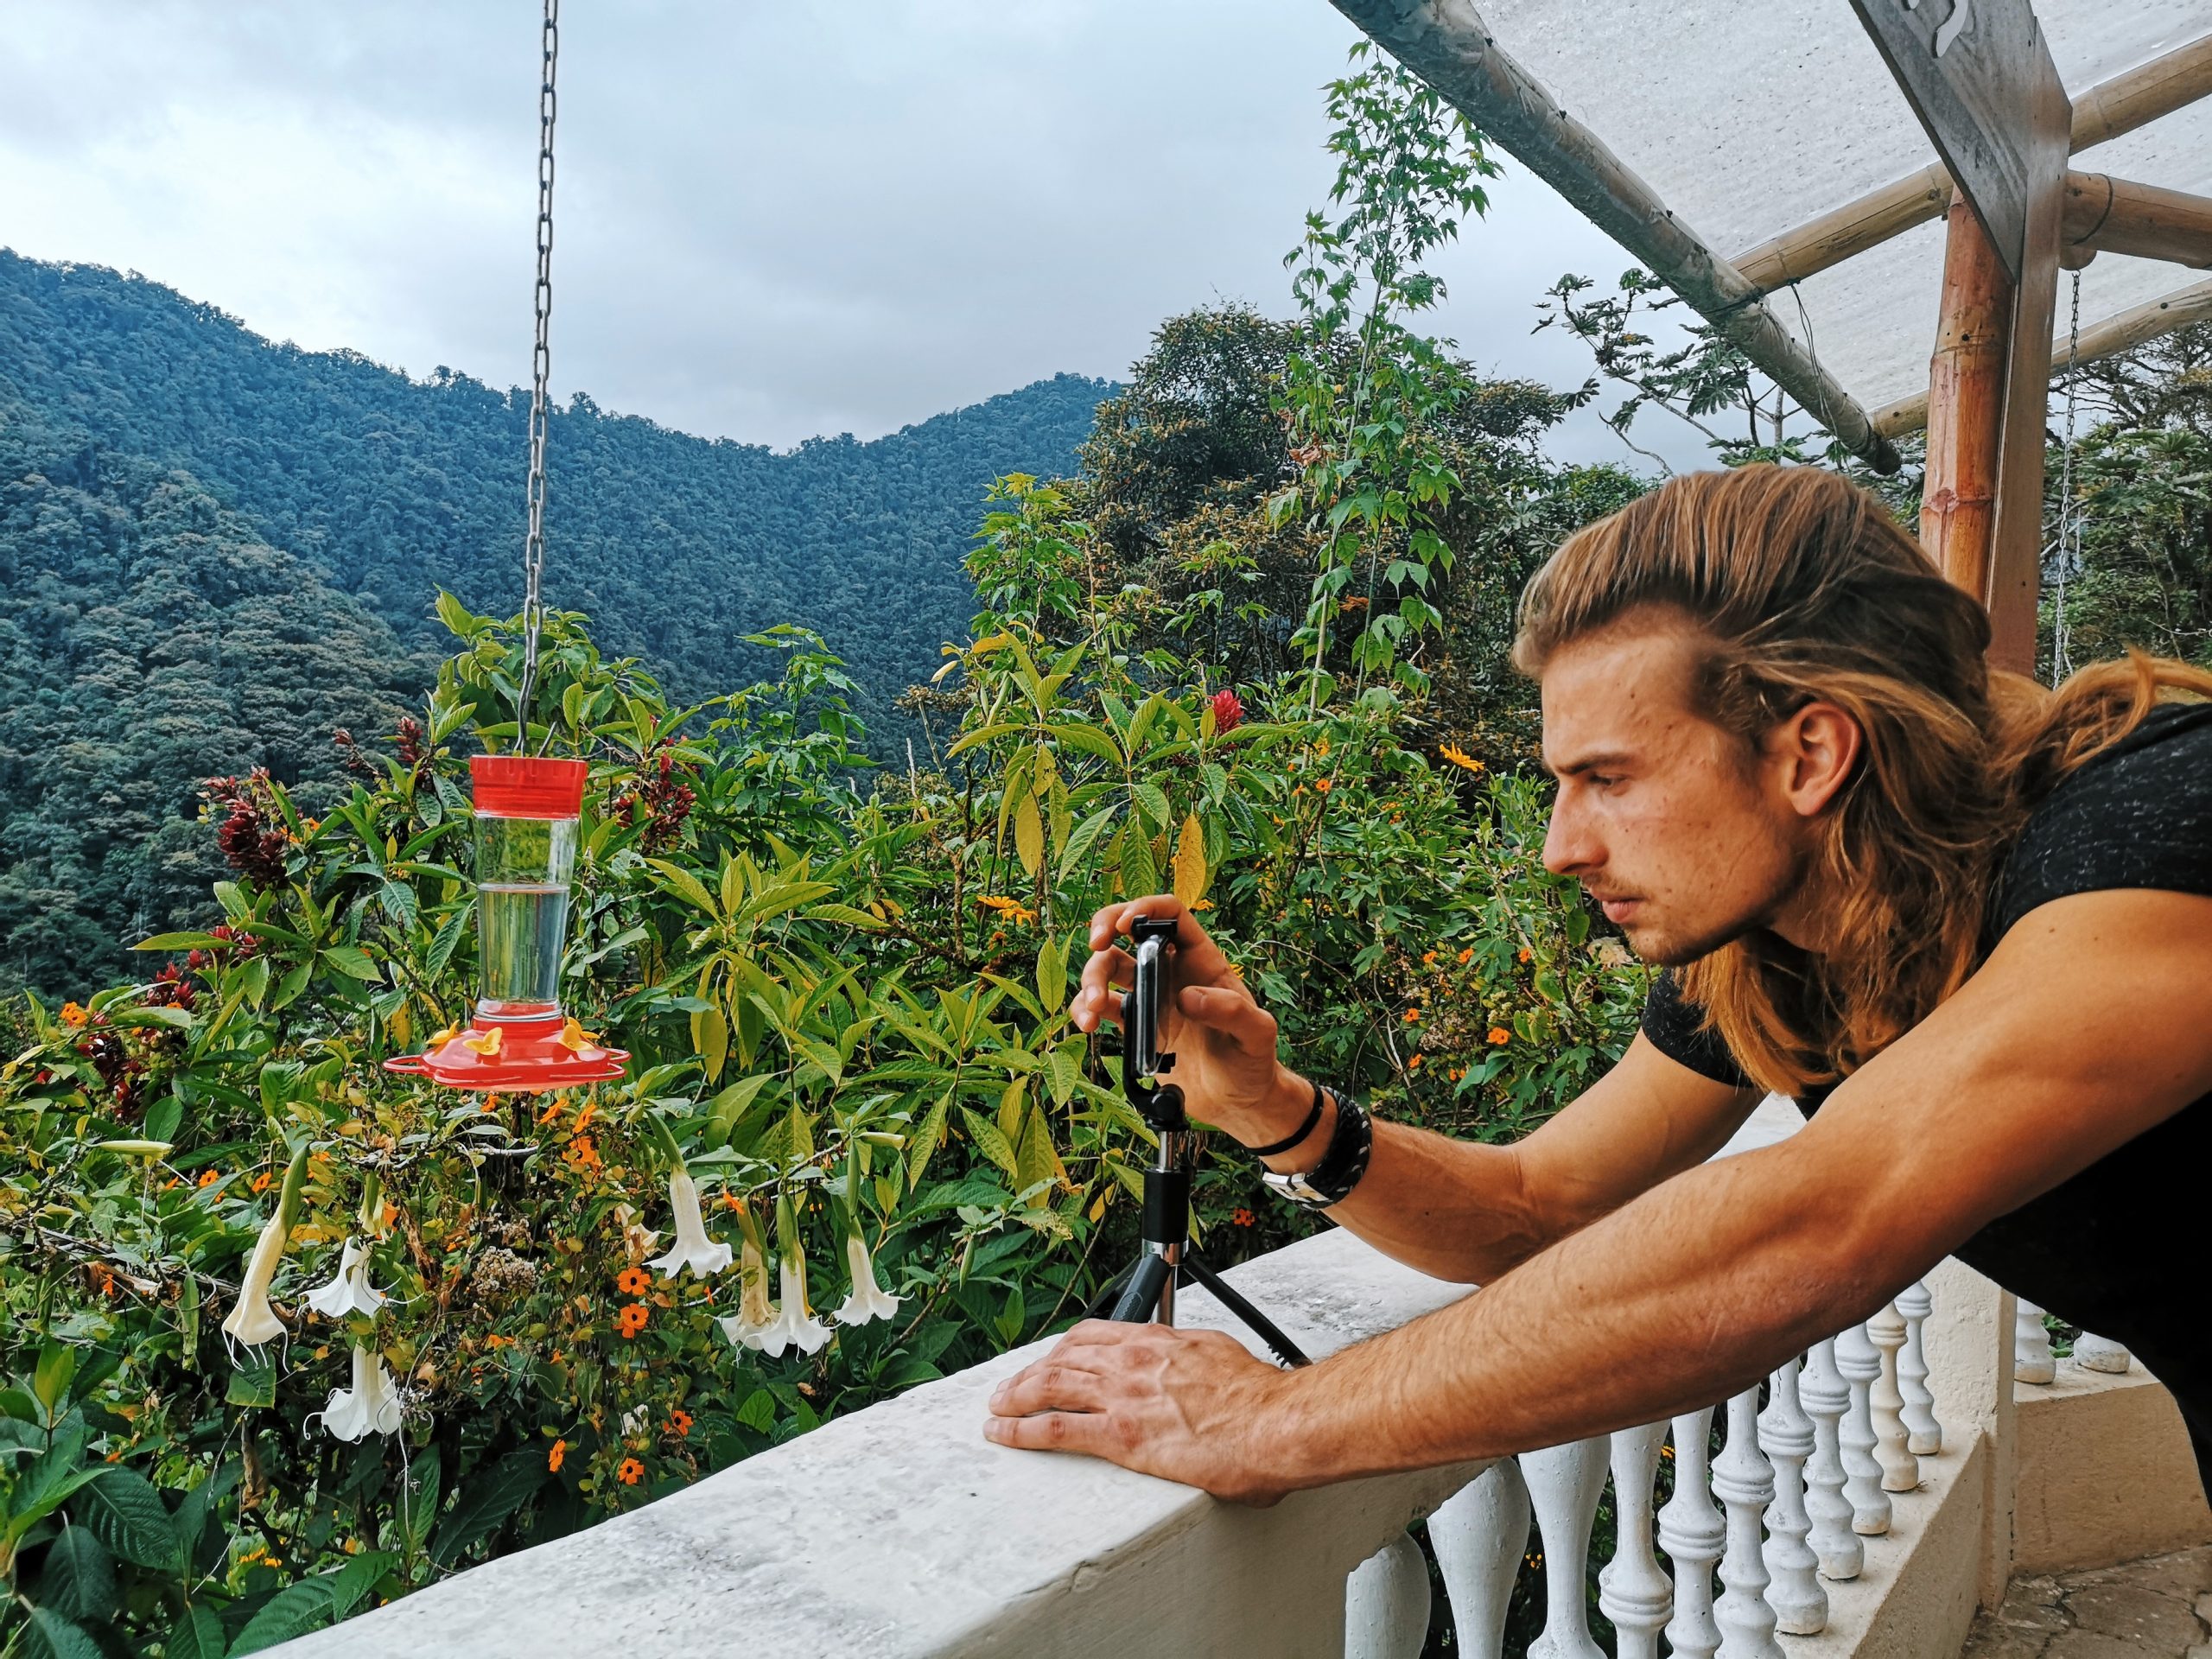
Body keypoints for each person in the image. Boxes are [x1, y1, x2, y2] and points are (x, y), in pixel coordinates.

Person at [981, 464, 2212, 1504]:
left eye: (1610, 779)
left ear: (1812, 752)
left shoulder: (2159, 825)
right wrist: (1273, 1111)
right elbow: (1540, 1206)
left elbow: (1826, 1220)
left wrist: (1274, 1423)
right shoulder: (1779, 937)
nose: (1561, 847)